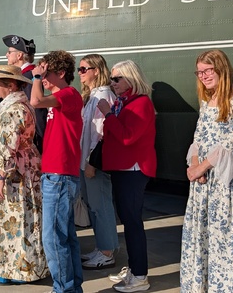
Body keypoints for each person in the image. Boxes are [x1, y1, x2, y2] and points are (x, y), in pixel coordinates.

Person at [180, 49, 233, 292]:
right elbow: (198, 138)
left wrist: (202, 167)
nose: (204, 76)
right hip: (204, 181)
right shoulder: (207, 101)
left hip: (228, 180)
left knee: (228, 237)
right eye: (199, 72)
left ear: (221, 69)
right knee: (204, 236)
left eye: (208, 70)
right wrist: (194, 165)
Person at [0, 64, 49, 284]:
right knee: (26, 218)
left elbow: (9, 147)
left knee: (14, 219)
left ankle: (16, 270)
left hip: (14, 174)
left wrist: (1, 178)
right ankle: (22, 267)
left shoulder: (13, 109)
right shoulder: (20, 105)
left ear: (9, 85)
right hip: (25, 168)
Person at [97, 60, 156, 292]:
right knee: (129, 221)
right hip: (123, 169)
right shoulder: (126, 102)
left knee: (132, 223)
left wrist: (108, 114)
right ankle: (134, 268)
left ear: (131, 78)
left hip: (132, 170)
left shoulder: (140, 103)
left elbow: (128, 136)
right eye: (112, 79)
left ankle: (140, 275)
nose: (113, 83)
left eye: (117, 78)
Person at [30, 50, 84, 293]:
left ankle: (63, 289)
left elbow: (35, 102)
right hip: (56, 174)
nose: (42, 78)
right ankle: (72, 288)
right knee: (65, 236)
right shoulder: (61, 97)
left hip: (60, 175)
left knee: (52, 238)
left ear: (61, 73)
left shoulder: (69, 94)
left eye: (47, 73)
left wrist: (35, 78)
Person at [77, 54, 120, 270]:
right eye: (80, 69)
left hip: (94, 163)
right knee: (95, 206)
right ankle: (101, 246)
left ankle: (107, 252)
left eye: (84, 69)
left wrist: (92, 161)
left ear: (96, 70)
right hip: (86, 162)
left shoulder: (103, 96)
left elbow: (102, 134)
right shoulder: (92, 95)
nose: (80, 73)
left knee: (101, 206)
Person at [2, 34, 46, 149]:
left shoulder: (27, 77)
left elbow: (35, 110)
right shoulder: (28, 75)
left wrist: (39, 140)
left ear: (19, 55)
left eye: (9, 52)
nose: (6, 55)